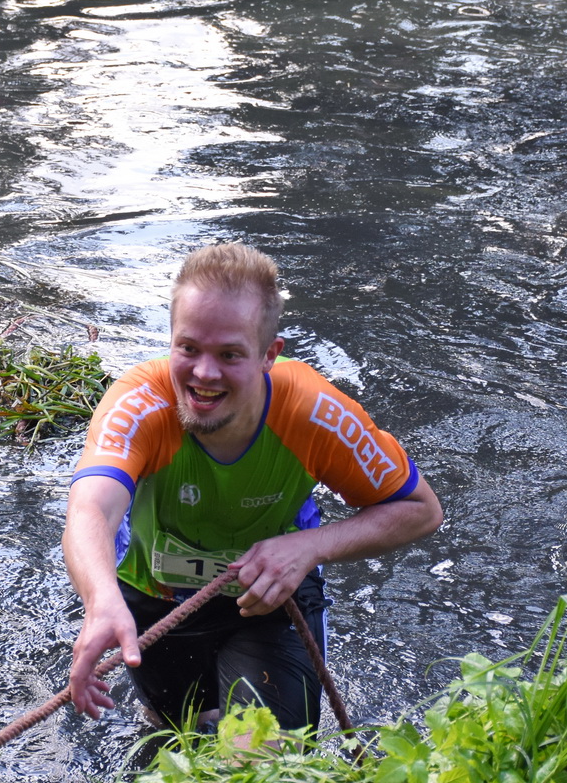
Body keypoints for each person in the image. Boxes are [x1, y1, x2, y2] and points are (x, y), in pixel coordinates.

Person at [63, 244, 443, 735]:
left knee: (262, 762)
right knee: (172, 733)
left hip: (271, 600)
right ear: (171, 340)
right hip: (152, 593)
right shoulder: (138, 403)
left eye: (229, 355)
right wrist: (100, 600)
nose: (203, 374)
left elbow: (420, 509)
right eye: (189, 348)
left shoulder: (315, 414)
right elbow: (89, 507)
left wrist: (307, 547)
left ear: (269, 355)